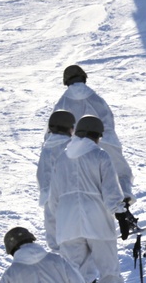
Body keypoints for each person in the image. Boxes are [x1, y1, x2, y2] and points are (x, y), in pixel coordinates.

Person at [47, 115, 137, 283]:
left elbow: (53, 201)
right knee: (108, 266)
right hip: (97, 221)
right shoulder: (100, 155)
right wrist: (121, 214)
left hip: (68, 224)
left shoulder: (61, 159)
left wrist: (58, 225)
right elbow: (111, 192)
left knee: (74, 273)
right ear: (96, 136)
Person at [37, 110, 99, 283]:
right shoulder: (71, 147)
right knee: (84, 243)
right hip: (70, 202)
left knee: (60, 246)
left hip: (49, 205)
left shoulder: (46, 148)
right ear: (70, 128)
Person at [53, 64, 135, 205]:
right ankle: (125, 210)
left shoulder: (63, 102)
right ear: (84, 78)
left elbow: (56, 130)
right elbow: (108, 120)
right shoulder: (96, 98)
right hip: (105, 141)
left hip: (77, 148)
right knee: (120, 174)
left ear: (66, 81)